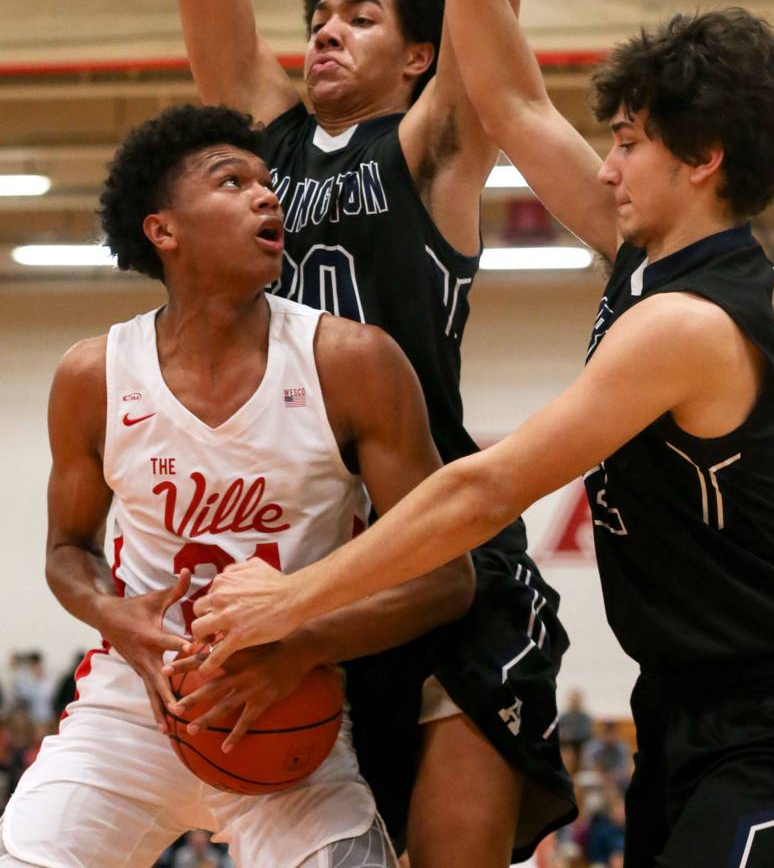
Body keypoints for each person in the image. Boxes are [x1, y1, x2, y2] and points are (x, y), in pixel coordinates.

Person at [189, 0, 774, 865]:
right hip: (681, 706)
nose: (602, 162)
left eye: (626, 141)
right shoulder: (647, 253)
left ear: (699, 161)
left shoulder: (686, 323)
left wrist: (298, 597)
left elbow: (485, 488)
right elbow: (515, 103)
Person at [164, 0, 576, 863]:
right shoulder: (264, 154)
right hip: (315, 572)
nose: (326, 32)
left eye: (359, 17)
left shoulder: (434, 146)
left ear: (419, 56)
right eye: (319, 19)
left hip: (442, 561)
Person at [0, 104, 478, 868]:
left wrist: (305, 643)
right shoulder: (95, 376)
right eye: (234, 182)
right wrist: (113, 614)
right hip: (135, 706)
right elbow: (66, 550)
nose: (268, 196)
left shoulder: (350, 363)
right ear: (164, 230)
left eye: (268, 182)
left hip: (288, 704)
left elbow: (447, 579)